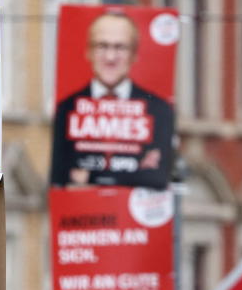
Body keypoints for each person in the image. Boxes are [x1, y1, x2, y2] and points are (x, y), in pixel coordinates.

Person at [50, 10, 175, 189]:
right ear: (89, 52)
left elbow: (156, 178)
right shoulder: (66, 108)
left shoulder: (159, 110)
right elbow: (59, 177)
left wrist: (92, 176)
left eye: (120, 47)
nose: (110, 57)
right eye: (102, 46)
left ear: (134, 54)